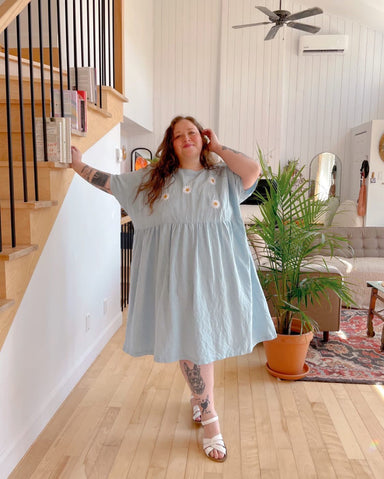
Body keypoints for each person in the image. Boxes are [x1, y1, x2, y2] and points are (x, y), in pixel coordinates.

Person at [71, 115, 276, 462]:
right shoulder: (154, 181)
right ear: (170, 143)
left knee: (204, 345)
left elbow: (253, 170)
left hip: (214, 278)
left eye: (192, 132)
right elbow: (111, 183)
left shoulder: (222, 178)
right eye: (178, 135)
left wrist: (220, 147)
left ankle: (200, 400)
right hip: (175, 280)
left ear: (203, 138)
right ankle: (210, 418)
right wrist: (78, 166)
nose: (186, 138)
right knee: (190, 344)